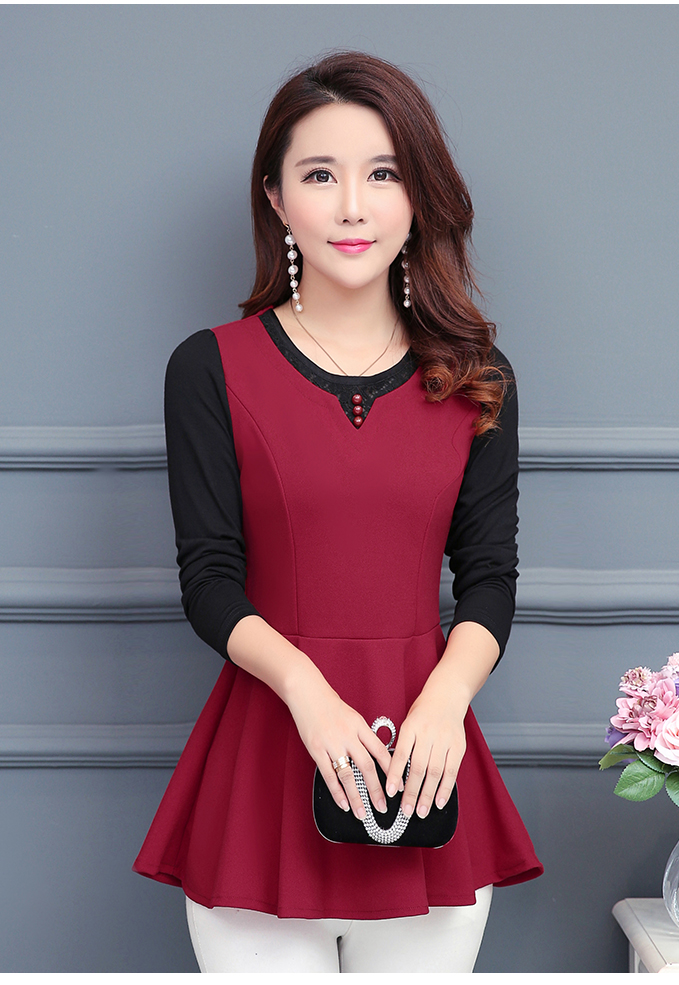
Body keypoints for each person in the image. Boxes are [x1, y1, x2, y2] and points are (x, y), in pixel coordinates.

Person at [133, 51, 543, 973]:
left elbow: (490, 577)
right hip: (264, 760)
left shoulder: (479, 378)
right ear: (276, 198)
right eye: (320, 175)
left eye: (383, 173)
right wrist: (309, 695)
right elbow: (210, 579)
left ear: (418, 196)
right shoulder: (209, 367)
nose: (353, 206)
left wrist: (446, 700)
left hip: (425, 766)